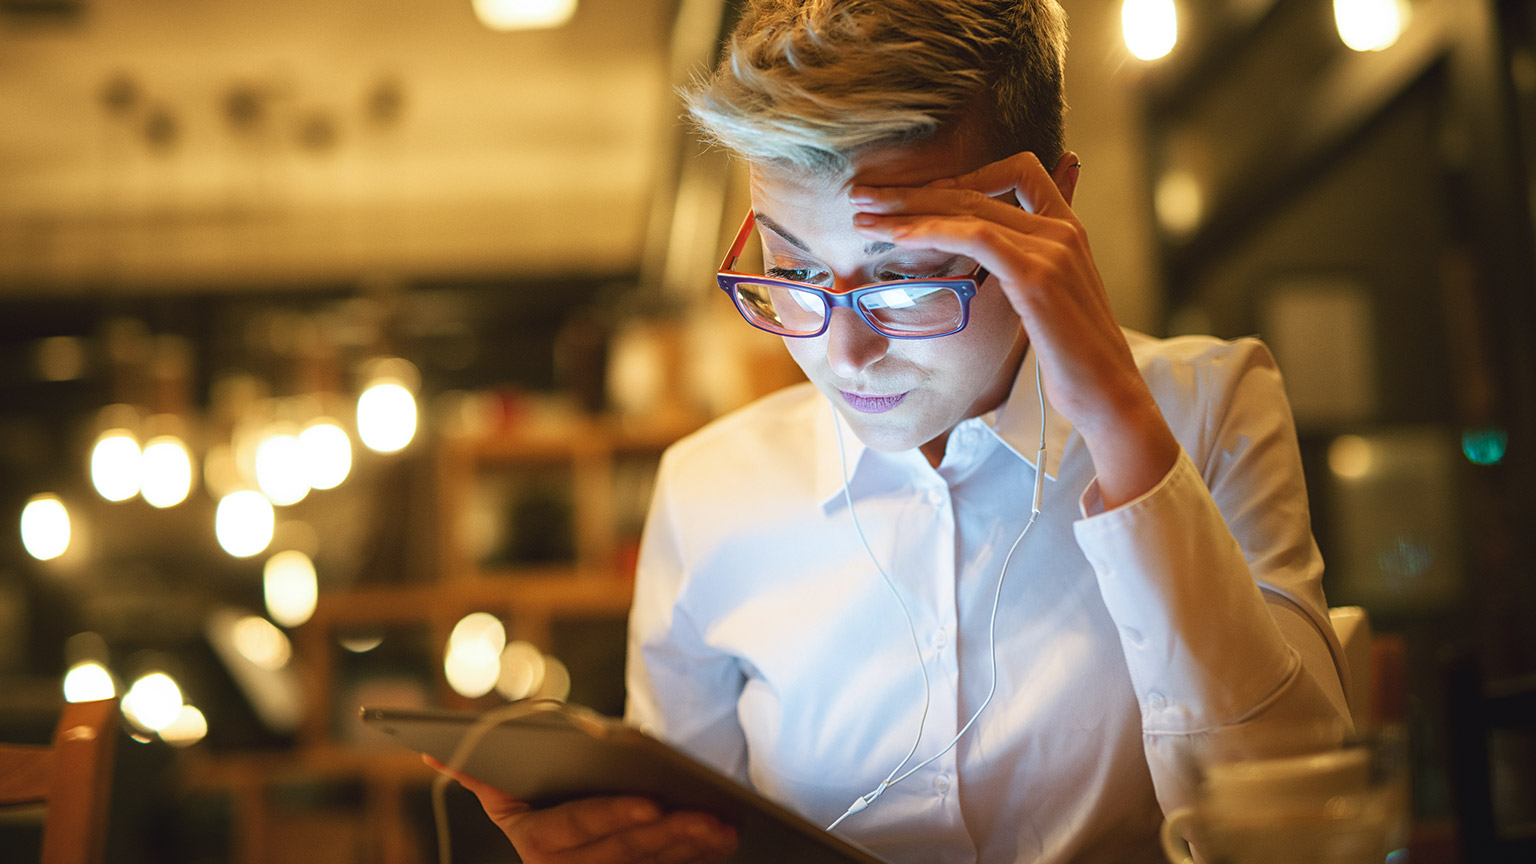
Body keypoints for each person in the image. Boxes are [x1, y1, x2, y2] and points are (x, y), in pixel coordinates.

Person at [441, 1, 1353, 861]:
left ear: (1053, 216)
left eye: (909, 280)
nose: (845, 352)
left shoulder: (1211, 408)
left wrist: (1122, 430)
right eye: (792, 271)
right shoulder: (706, 490)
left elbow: (1300, 833)